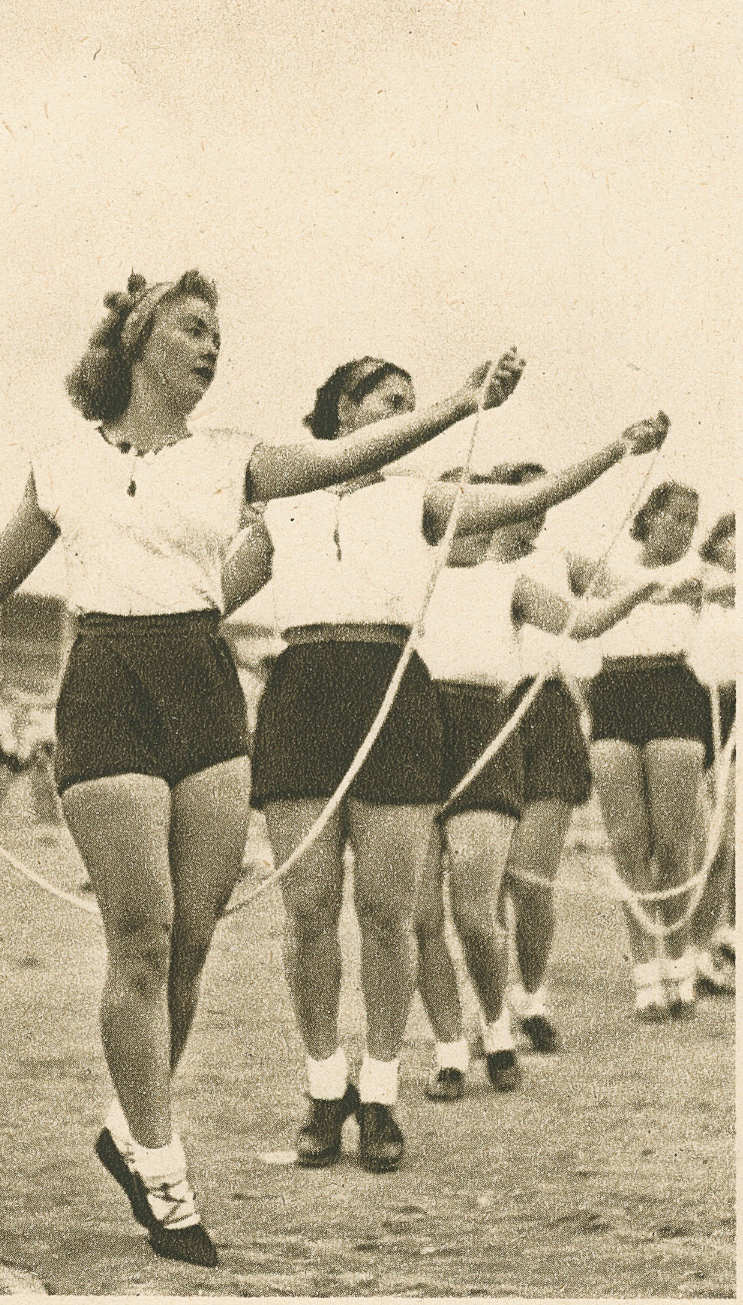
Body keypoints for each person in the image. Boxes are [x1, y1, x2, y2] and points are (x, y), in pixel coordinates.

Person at [0, 269, 523, 1268]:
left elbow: (352, 451)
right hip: (108, 688)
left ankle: (128, 1127)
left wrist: (456, 403)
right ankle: (163, 1164)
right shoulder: (62, 465)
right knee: (139, 937)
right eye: (194, 328)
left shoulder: (234, 458)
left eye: (220, 335)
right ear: (140, 338)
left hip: (204, 683)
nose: (211, 347)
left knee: (190, 940)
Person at [225, 357, 667, 1163]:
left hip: (393, 690)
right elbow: (206, 594)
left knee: (390, 910)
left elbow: (528, 498)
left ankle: (383, 1093)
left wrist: (615, 448)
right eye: (392, 402)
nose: (408, 415)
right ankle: (325, 1091)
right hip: (300, 694)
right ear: (345, 411)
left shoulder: (419, 499)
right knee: (310, 907)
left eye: (414, 405)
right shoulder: (282, 500)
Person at [414, 475, 664, 1100]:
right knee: (417, 916)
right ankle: (449, 1049)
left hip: (482, 732)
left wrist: (645, 590)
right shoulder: (407, 577)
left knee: (475, 913)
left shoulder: (511, 582)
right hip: (412, 737)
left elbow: (585, 622)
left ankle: (498, 1025)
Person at [571, 481, 708, 1021]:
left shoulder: (699, 574)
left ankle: (678, 959)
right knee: (628, 843)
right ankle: (644, 972)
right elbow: (575, 569)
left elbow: (697, 592)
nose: (684, 529)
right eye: (675, 517)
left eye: (691, 521)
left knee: (673, 844)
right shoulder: (607, 562)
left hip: (673, 690)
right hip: (616, 694)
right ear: (648, 516)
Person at [489, 463, 597, 1055]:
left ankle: (530, 997)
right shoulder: (464, 558)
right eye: (527, 507)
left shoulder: (562, 562)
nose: (536, 520)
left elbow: (627, 580)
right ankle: (490, 1008)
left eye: (544, 509)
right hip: (486, 713)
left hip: (547, 709)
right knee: (486, 883)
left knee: (530, 878)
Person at [688, 512, 736, 993]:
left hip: (733, 708)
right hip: (696, 707)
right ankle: (696, 946)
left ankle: (719, 942)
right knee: (707, 841)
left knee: (729, 841)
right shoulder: (698, 580)